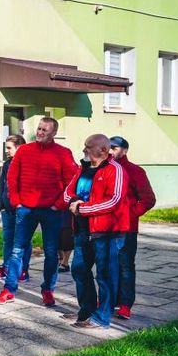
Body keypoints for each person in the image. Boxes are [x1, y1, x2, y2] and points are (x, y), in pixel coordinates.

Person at [0, 116, 77, 306]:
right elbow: (11, 178)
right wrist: (16, 202)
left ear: (54, 133)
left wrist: (59, 205)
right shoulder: (24, 150)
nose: (40, 133)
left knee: (50, 252)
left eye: (44, 130)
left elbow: (70, 183)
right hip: (26, 209)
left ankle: (48, 289)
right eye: (39, 129)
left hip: (51, 210)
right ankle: (9, 288)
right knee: (17, 250)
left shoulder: (63, 153)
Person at [63, 134, 128, 329]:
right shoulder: (83, 168)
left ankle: (102, 318)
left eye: (88, 146)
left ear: (102, 150)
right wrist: (74, 202)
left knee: (105, 275)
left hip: (106, 232)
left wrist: (83, 208)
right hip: (82, 230)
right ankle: (86, 311)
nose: (84, 149)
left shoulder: (115, 170)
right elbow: (67, 192)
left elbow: (114, 200)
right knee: (79, 270)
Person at [108, 136, 156, 320]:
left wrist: (130, 214)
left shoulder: (135, 171)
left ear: (125, 151)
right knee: (106, 265)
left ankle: (125, 304)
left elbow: (148, 199)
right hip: (105, 227)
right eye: (108, 147)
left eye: (115, 147)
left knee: (125, 266)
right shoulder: (103, 168)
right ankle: (108, 300)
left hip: (126, 228)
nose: (111, 150)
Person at [0, 134, 31, 283]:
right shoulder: (8, 163)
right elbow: (2, 184)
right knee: (8, 240)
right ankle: (6, 267)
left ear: (19, 147)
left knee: (22, 241)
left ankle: (23, 270)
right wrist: (0, 202)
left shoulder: (27, 163)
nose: (6, 151)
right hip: (7, 208)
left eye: (9, 148)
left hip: (21, 208)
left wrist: (21, 204)